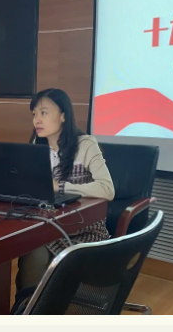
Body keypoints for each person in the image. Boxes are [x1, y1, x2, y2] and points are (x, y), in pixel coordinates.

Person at [12, 88, 115, 314]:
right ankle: (30, 310)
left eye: (44, 113)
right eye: (34, 114)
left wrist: (60, 187)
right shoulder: (37, 149)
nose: (37, 120)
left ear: (63, 116)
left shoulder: (85, 145)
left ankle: (40, 309)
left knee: (36, 252)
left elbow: (107, 189)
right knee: (32, 251)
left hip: (84, 229)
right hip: (48, 226)